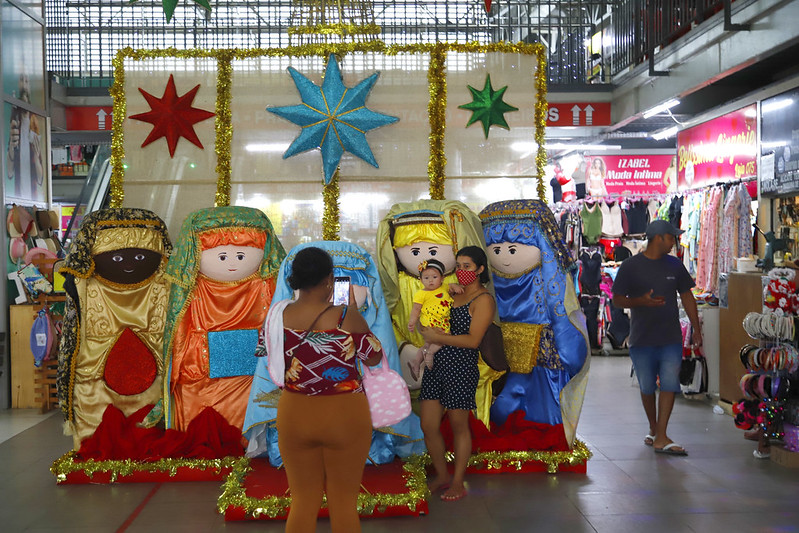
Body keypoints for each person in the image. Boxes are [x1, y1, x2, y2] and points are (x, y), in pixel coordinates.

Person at [266, 246, 383, 533]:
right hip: (344, 414)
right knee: (343, 502)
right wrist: (355, 315)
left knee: (303, 501)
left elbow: (268, 355)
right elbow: (374, 357)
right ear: (330, 279)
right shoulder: (346, 317)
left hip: (294, 413)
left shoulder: (276, 316)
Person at [611, 219, 702, 456]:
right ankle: (654, 428)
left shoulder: (675, 266)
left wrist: (696, 329)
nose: (674, 242)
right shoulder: (630, 267)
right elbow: (617, 300)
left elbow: (688, 297)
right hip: (641, 338)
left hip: (670, 337)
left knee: (670, 383)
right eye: (671, 238)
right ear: (659, 238)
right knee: (647, 386)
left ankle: (662, 434)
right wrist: (640, 302)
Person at [418, 246, 496, 502]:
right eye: (459, 266)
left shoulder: (483, 300)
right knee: (428, 425)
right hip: (436, 365)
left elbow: (473, 340)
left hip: (461, 367)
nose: (462, 271)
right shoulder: (452, 291)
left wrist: (439, 337)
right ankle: (441, 475)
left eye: (468, 267)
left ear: (480, 269)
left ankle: (457, 481)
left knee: (459, 425)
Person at [407, 258, 461, 381]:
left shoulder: (445, 287)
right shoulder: (421, 294)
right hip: (430, 322)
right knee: (443, 338)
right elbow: (416, 309)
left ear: (442, 278)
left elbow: (451, 286)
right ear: (421, 280)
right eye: (426, 278)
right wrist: (412, 322)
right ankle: (430, 354)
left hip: (441, 321)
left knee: (427, 344)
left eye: (434, 277)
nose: (430, 280)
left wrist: (456, 286)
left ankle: (416, 362)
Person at [6, 73, 44, 201]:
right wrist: (11, 146)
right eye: (22, 80)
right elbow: (9, 173)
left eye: (27, 81)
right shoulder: (15, 122)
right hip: (17, 198)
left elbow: (40, 179)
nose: (24, 84)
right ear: (18, 84)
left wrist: (36, 156)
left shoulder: (35, 123)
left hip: (32, 197)